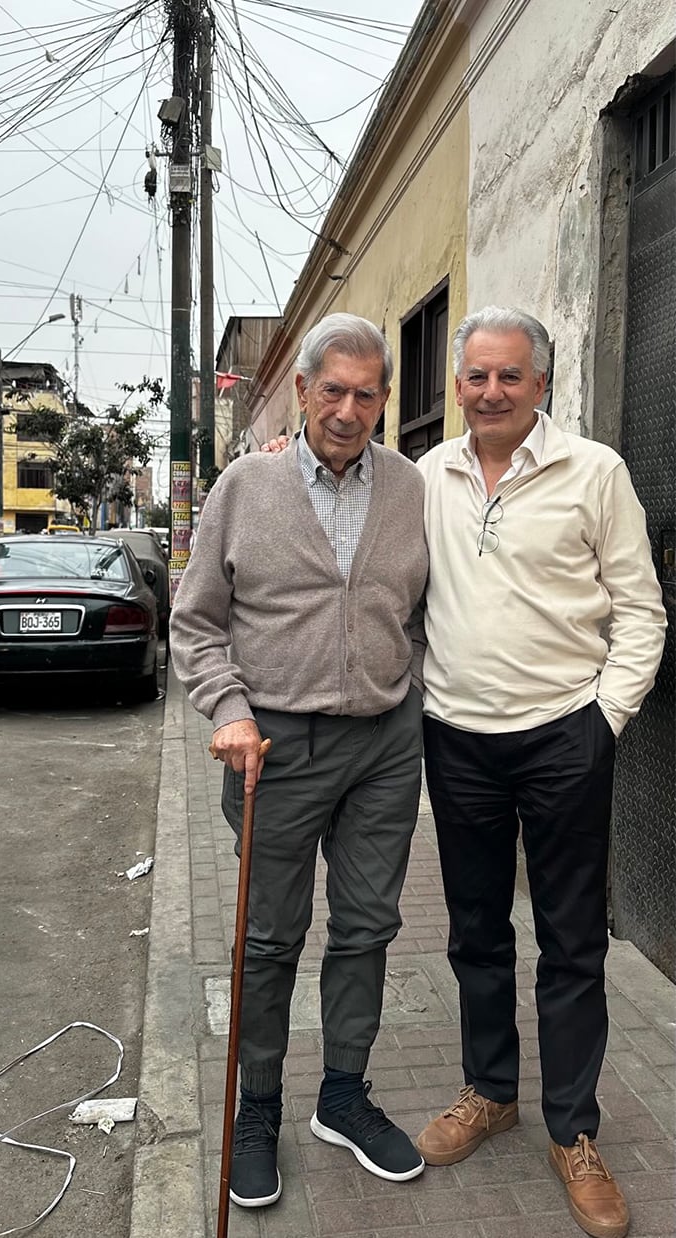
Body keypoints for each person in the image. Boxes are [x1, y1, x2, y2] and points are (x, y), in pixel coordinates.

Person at [406, 307, 663, 1238]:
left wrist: (605, 720)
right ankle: (489, 1092)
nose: (489, 392)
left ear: (542, 384)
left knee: (571, 941)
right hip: (458, 740)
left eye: (509, 376)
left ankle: (574, 1130)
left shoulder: (594, 471)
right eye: (474, 376)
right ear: (457, 386)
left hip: (564, 738)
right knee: (475, 931)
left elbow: (641, 609)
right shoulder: (424, 475)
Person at [170, 312, 431, 1210]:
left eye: (367, 394)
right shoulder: (246, 486)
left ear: (385, 400)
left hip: (386, 745)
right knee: (271, 939)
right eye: (334, 391)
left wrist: (416, 699)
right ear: (300, 392)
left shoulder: (409, 487)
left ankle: (344, 1097)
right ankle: (258, 1110)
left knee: (368, 927)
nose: (349, 410)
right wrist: (230, 710)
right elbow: (196, 622)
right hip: (273, 746)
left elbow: (428, 611)